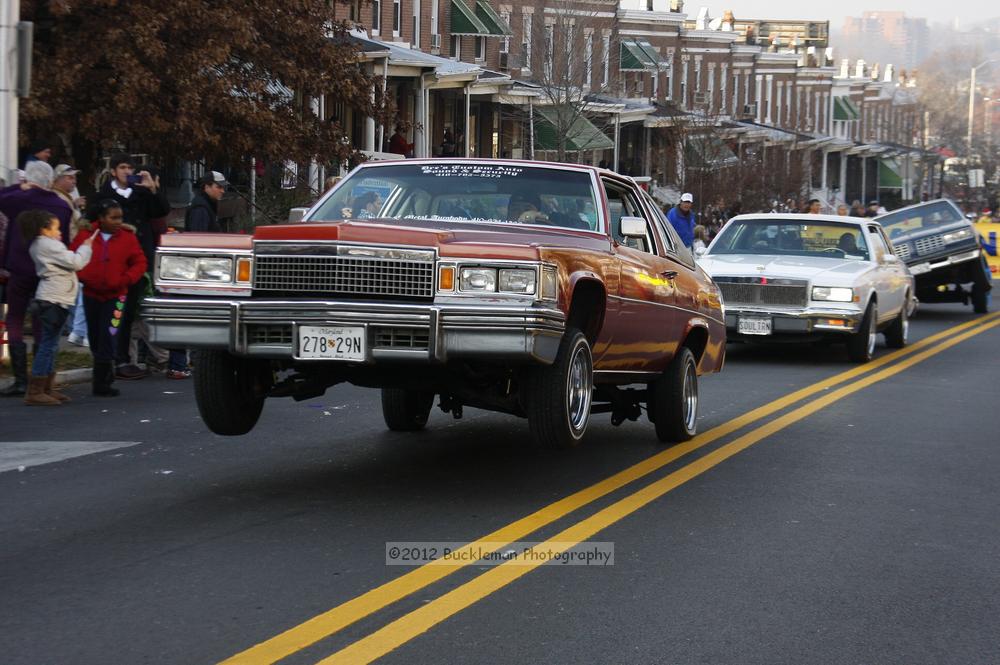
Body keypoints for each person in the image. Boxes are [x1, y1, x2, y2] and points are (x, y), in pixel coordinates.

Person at [0, 161, 73, 396]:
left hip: (19, 268)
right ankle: (41, 377)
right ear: (50, 180)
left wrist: (18, 187)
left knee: (15, 319)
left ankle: (21, 379)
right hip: (47, 271)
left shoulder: (19, 200)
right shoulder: (60, 205)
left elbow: (2, 197)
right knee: (44, 323)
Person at [98, 154, 169, 379]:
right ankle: (113, 358)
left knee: (129, 313)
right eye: (122, 167)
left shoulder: (140, 193)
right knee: (113, 312)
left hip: (137, 261)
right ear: (113, 171)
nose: (127, 171)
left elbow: (160, 211)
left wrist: (152, 189)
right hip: (114, 261)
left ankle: (123, 359)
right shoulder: (105, 196)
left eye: (130, 167)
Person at [70, 199, 147, 397]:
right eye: (113, 218)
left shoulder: (128, 238)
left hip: (117, 297)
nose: (118, 221)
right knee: (95, 335)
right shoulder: (86, 235)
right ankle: (102, 375)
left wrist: (126, 279)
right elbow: (72, 258)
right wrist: (85, 277)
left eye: (120, 217)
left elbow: (139, 262)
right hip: (91, 294)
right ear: (101, 218)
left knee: (110, 333)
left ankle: (103, 380)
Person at [19, 210, 96, 405]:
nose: (60, 232)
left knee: (50, 344)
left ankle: (46, 386)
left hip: (54, 297)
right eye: (56, 228)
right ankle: (36, 390)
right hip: (54, 298)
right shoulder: (48, 245)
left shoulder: (41, 244)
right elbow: (76, 262)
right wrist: (86, 247)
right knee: (48, 344)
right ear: (44, 229)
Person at [51, 164, 90, 347]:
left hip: (70, 250)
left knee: (76, 293)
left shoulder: (67, 198)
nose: (73, 181)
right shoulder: (57, 198)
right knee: (76, 293)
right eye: (69, 178)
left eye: (74, 178)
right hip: (65, 251)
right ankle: (77, 331)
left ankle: (77, 331)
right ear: (57, 179)